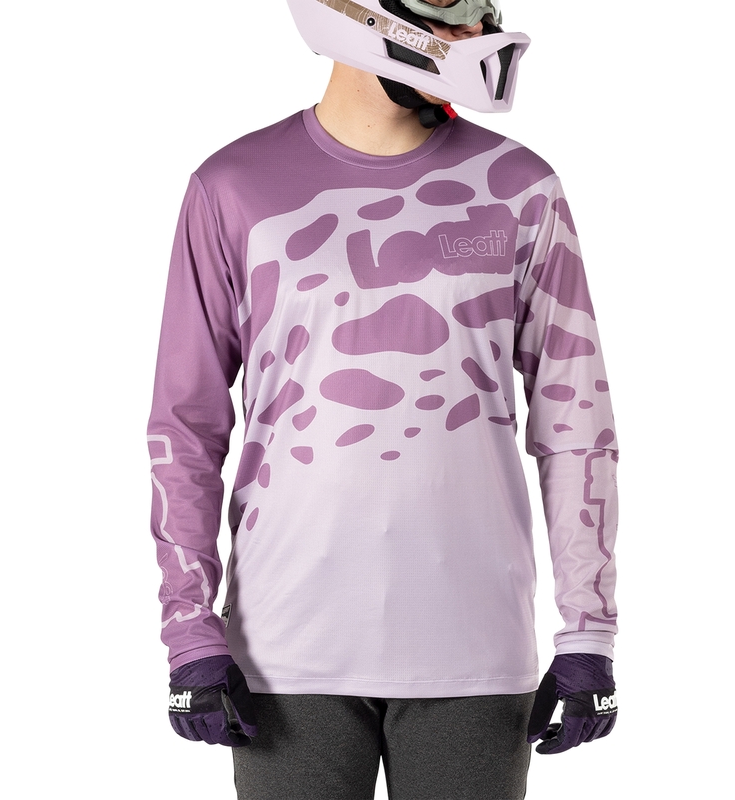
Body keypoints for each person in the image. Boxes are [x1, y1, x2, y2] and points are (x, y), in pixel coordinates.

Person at [148, 1, 619, 797]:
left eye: (482, 13)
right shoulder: (233, 188)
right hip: (284, 651)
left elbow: (577, 421)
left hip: (474, 647)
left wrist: (590, 634)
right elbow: (185, 425)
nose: (477, 37)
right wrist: (188, 631)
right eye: (449, 13)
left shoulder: (521, 188)